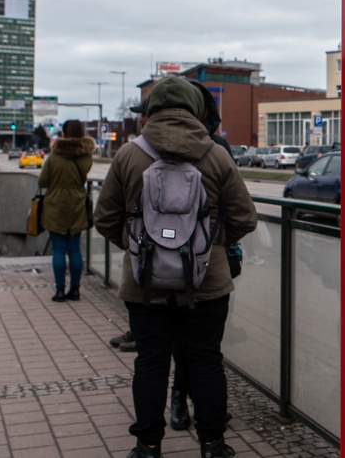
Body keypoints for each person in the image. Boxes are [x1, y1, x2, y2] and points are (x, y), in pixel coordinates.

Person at [96, 76, 257, 458]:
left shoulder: (129, 155)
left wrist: (138, 248)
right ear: (195, 110)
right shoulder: (215, 154)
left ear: (150, 112)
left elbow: (104, 218)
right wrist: (210, 246)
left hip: (144, 285)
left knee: (150, 361)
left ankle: (148, 445)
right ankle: (212, 444)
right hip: (207, 284)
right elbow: (244, 217)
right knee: (205, 360)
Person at [38, 119, 95, 302]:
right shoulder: (86, 157)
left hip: (55, 206)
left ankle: (60, 290)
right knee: (75, 249)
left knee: (59, 249)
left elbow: (43, 182)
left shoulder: (54, 157)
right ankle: (76, 290)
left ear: (64, 134)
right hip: (77, 205)